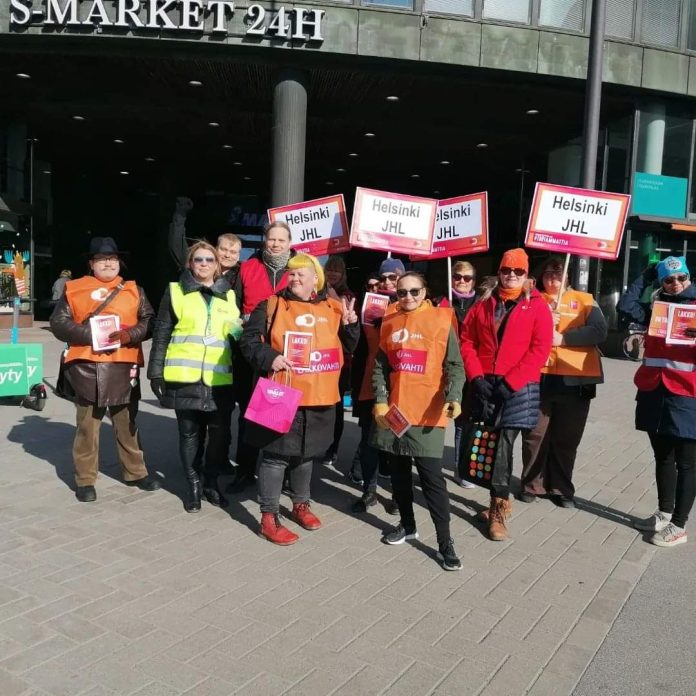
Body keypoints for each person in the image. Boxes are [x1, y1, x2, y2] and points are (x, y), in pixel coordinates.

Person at [239, 253, 359, 545]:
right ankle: (268, 517)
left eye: (300, 274)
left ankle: (300, 504)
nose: (293, 278)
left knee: (307, 453)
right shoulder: (270, 305)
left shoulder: (334, 307)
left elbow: (350, 346)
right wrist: (270, 357)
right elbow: (248, 342)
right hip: (281, 392)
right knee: (275, 456)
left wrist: (352, 324)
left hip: (319, 395)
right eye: (290, 274)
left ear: (315, 279)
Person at [50, 237, 160, 502]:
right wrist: (92, 335)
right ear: (92, 264)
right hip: (87, 366)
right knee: (87, 426)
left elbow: (149, 321)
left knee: (128, 424)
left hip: (124, 366)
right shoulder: (74, 289)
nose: (108, 263)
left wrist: (129, 335)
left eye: (112, 258)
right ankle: (85, 479)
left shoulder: (135, 290)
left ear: (119, 262)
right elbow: (58, 323)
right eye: (102, 259)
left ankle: (135, 472)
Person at [372, 272, 465, 570]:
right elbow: (379, 366)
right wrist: (381, 400)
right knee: (398, 474)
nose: (408, 297)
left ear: (425, 291)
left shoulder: (440, 319)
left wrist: (455, 396)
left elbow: (455, 365)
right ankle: (408, 525)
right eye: (402, 292)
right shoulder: (389, 320)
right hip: (397, 413)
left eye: (414, 291)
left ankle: (445, 542)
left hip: (427, 413)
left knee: (432, 480)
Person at [459, 248, 553, 541]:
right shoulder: (483, 303)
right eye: (506, 270)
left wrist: (511, 382)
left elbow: (540, 349)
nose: (511, 276)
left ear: (527, 275)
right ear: (498, 272)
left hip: (518, 388)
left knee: (502, 446)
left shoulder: (537, 306)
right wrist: (476, 376)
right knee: (485, 444)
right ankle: (500, 500)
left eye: (518, 272)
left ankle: (498, 508)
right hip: (485, 384)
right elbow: (466, 340)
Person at [148, 241, 241, 512]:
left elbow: (235, 333)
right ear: (190, 263)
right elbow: (162, 332)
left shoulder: (229, 295)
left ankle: (211, 482)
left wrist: (241, 332)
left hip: (218, 379)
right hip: (183, 375)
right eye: (198, 260)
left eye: (208, 260)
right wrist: (155, 371)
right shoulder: (175, 291)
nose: (203, 264)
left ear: (217, 265)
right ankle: (193, 485)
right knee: (189, 434)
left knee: (219, 434)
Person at [618, 257, 696, 547]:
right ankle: (664, 513)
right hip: (655, 390)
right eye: (668, 279)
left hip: (688, 394)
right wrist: (645, 275)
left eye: (681, 278)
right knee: (663, 456)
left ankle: (679, 525)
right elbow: (626, 307)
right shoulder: (656, 307)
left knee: (687, 463)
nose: (676, 284)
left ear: (689, 277)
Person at [520, 257, 607, 508]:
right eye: (548, 274)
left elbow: (600, 330)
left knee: (566, 438)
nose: (552, 279)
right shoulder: (533, 299)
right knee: (535, 435)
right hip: (540, 376)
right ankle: (531, 485)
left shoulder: (586, 300)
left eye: (558, 275)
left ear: (567, 277)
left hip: (576, 379)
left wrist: (563, 338)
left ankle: (560, 488)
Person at [231, 220, 296, 492]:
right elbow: (233, 307)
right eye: (272, 239)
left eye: (281, 240)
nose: (276, 244)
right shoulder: (247, 267)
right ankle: (245, 470)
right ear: (264, 241)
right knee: (250, 414)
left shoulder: (299, 268)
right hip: (253, 354)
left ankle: (289, 476)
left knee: (288, 415)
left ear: (289, 243)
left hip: (287, 355)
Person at [349, 258, 405, 514]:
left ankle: (397, 494)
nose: (388, 282)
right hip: (370, 385)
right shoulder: (367, 304)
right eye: (384, 278)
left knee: (396, 443)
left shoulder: (409, 305)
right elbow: (356, 346)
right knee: (369, 442)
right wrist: (351, 325)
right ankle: (369, 491)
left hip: (400, 387)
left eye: (393, 278)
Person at [322, 255, 356, 468]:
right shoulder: (315, 293)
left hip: (340, 361)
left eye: (338, 270)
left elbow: (350, 332)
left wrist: (335, 300)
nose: (333, 273)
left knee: (335, 409)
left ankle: (332, 449)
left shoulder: (348, 296)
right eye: (330, 269)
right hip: (319, 359)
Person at [168, 197, 242, 286]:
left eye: (233, 252)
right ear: (215, 249)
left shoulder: (243, 275)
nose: (227, 255)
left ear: (238, 256)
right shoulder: (199, 265)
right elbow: (177, 245)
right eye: (223, 249)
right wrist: (180, 214)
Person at [450, 260, 478, 489]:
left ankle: (462, 470)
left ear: (473, 282)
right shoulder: (442, 302)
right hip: (446, 369)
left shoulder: (482, 303)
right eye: (457, 276)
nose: (461, 281)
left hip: (471, 368)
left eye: (467, 278)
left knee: (464, 421)